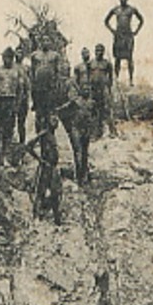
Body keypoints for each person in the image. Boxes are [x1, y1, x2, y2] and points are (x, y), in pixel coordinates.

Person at [24, 111, 64, 226]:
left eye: (57, 121)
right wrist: (40, 159)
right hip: (46, 167)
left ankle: (57, 219)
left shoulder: (52, 134)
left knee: (55, 192)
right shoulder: (45, 133)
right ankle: (36, 218)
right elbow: (29, 145)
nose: (55, 123)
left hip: (52, 167)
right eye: (53, 120)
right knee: (41, 192)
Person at [0, 48, 28, 161]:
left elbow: (20, 90)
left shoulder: (17, 72)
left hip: (10, 100)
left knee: (9, 128)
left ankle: (5, 153)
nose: (7, 60)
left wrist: (17, 105)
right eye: (5, 57)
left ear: (12, 58)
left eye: (9, 58)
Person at [28, 33, 70, 136]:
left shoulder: (55, 55)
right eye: (43, 40)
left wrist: (57, 87)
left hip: (50, 89)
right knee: (39, 113)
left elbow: (57, 72)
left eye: (48, 40)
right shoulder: (35, 55)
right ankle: (39, 136)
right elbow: (33, 72)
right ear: (40, 42)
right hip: (38, 89)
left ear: (50, 43)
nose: (45, 42)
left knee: (50, 113)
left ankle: (51, 136)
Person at [68, 47, 99, 182]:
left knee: (85, 152)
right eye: (83, 53)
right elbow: (66, 108)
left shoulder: (92, 102)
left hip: (86, 128)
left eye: (87, 53)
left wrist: (94, 128)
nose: (86, 55)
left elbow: (96, 116)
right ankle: (77, 175)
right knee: (77, 151)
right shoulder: (76, 101)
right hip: (76, 127)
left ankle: (84, 175)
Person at [103, 0, 145, 86]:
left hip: (128, 36)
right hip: (118, 35)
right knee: (117, 58)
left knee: (129, 58)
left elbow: (141, 20)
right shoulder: (115, 9)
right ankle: (116, 80)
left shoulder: (131, 9)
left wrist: (136, 31)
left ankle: (131, 80)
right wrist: (112, 31)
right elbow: (106, 21)